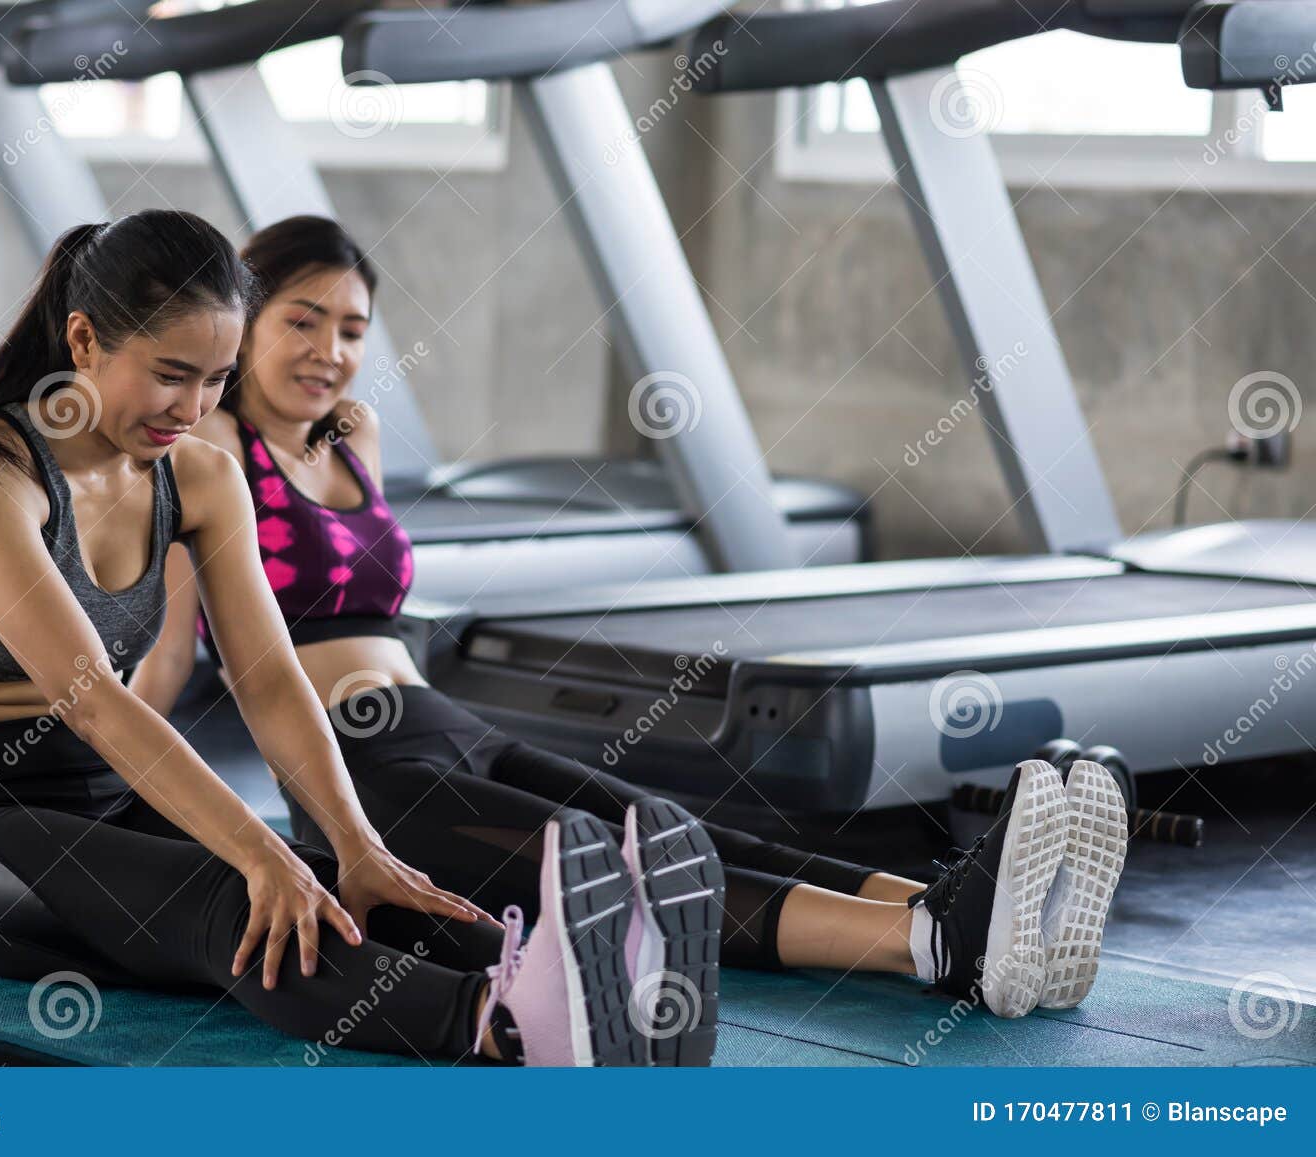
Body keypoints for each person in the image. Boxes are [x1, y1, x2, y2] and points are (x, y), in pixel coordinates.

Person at [131, 216, 1131, 1052]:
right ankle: (928, 941)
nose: (330, 350)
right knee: (652, 873)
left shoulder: (356, 432)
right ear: (243, 323)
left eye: (352, 327)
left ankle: (959, 901)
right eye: (300, 320)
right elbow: (174, 649)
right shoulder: (211, 450)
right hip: (357, 771)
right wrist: (113, 787)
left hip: (444, 721)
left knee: (672, 826)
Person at [0, 209, 677, 1067]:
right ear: (84, 340)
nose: (191, 409)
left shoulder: (201, 475)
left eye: (217, 379)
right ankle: (507, 1030)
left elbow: (267, 676)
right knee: (242, 897)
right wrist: (259, 849)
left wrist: (356, 843)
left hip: (111, 800)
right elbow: (95, 704)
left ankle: (601, 993)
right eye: (170, 375)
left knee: (355, 893)